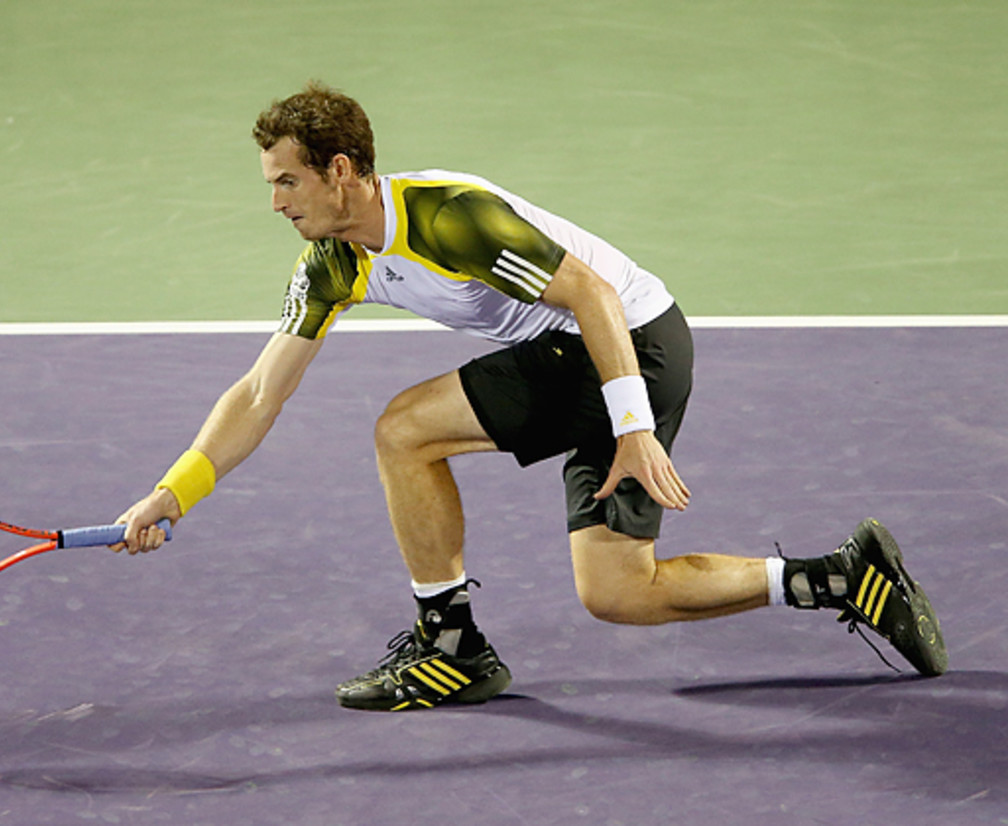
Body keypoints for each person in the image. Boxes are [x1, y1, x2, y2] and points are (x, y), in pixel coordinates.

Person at [114, 82, 947, 711]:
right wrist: (173, 491)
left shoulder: (449, 220)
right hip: (593, 357)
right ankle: (842, 578)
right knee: (618, 593)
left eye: (286, 182)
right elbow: (261, 392)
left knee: (404, 429)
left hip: (629, 347)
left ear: (340, 171)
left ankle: (451, 645)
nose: (274, 203)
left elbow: (592, 294)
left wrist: (634, 428)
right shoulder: (333, 264)